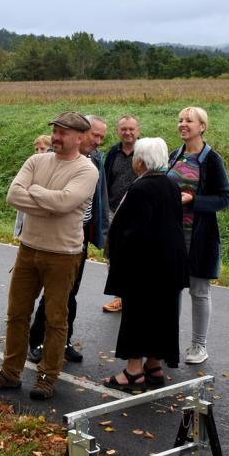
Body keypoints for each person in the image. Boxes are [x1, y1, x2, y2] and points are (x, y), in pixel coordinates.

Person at [0, 112, 97, 401]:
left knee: (55, 318)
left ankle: (47, 377)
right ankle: (10, 372)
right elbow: (13, 196)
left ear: (79, 138)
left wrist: (35, 193)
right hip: (28, 248)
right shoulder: (36, 161)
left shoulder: (87, 170)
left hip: (64, 254)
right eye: (55, 131)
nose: (56, 137)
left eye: (63, 132)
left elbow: (65, 202)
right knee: (17, 313)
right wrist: (50, 203)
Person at [101, 137, 187, 392]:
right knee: (161, 315)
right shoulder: (171, 185)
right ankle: (154, 365)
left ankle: (133, 371)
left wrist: (118, 255)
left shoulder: (141, 188)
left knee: (137, 316)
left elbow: (134, 232)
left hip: (144, 266)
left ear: (140, 162)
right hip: (170, 263)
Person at [27, 114, 108, 364]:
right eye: (94, 135)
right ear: (80, 134)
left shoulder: (95, 160)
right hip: (55, 233)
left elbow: (100, 197)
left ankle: (64, 340)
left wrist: (101, 231)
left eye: (101, 137)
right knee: (53, 294)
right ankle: (38, 340)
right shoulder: (54, 159)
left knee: (71, 292)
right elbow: (51, 200)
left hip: (80, 234)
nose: (97, 141)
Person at [167, 106, 229, 365]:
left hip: (199, 236)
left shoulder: (212, 159)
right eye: (180, 120)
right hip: (172, 235)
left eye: (189, 121)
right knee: (171, 289)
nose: (183, 124)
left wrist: (193, 200)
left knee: (199, 291)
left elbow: (224, 198)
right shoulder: (175, 155)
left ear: (202, 127)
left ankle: (198, 346)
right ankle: (168, 343)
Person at [101, 114, 141, 313]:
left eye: (131, 129)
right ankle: (119, 296)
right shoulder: (113, 153)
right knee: (113, 254)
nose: (127, 133)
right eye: (124, 129)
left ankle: (136, 295)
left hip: (137, 213)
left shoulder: (144, 151)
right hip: (112, 210)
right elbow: (104, 180)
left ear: (138, 131)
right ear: (118, 131)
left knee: (136, 254)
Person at [12, 134, 51, 240]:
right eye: (36, 149)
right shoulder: (32, 166)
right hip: (27, 218)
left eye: (42, 149)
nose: (39, 152)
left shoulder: (53, 169)